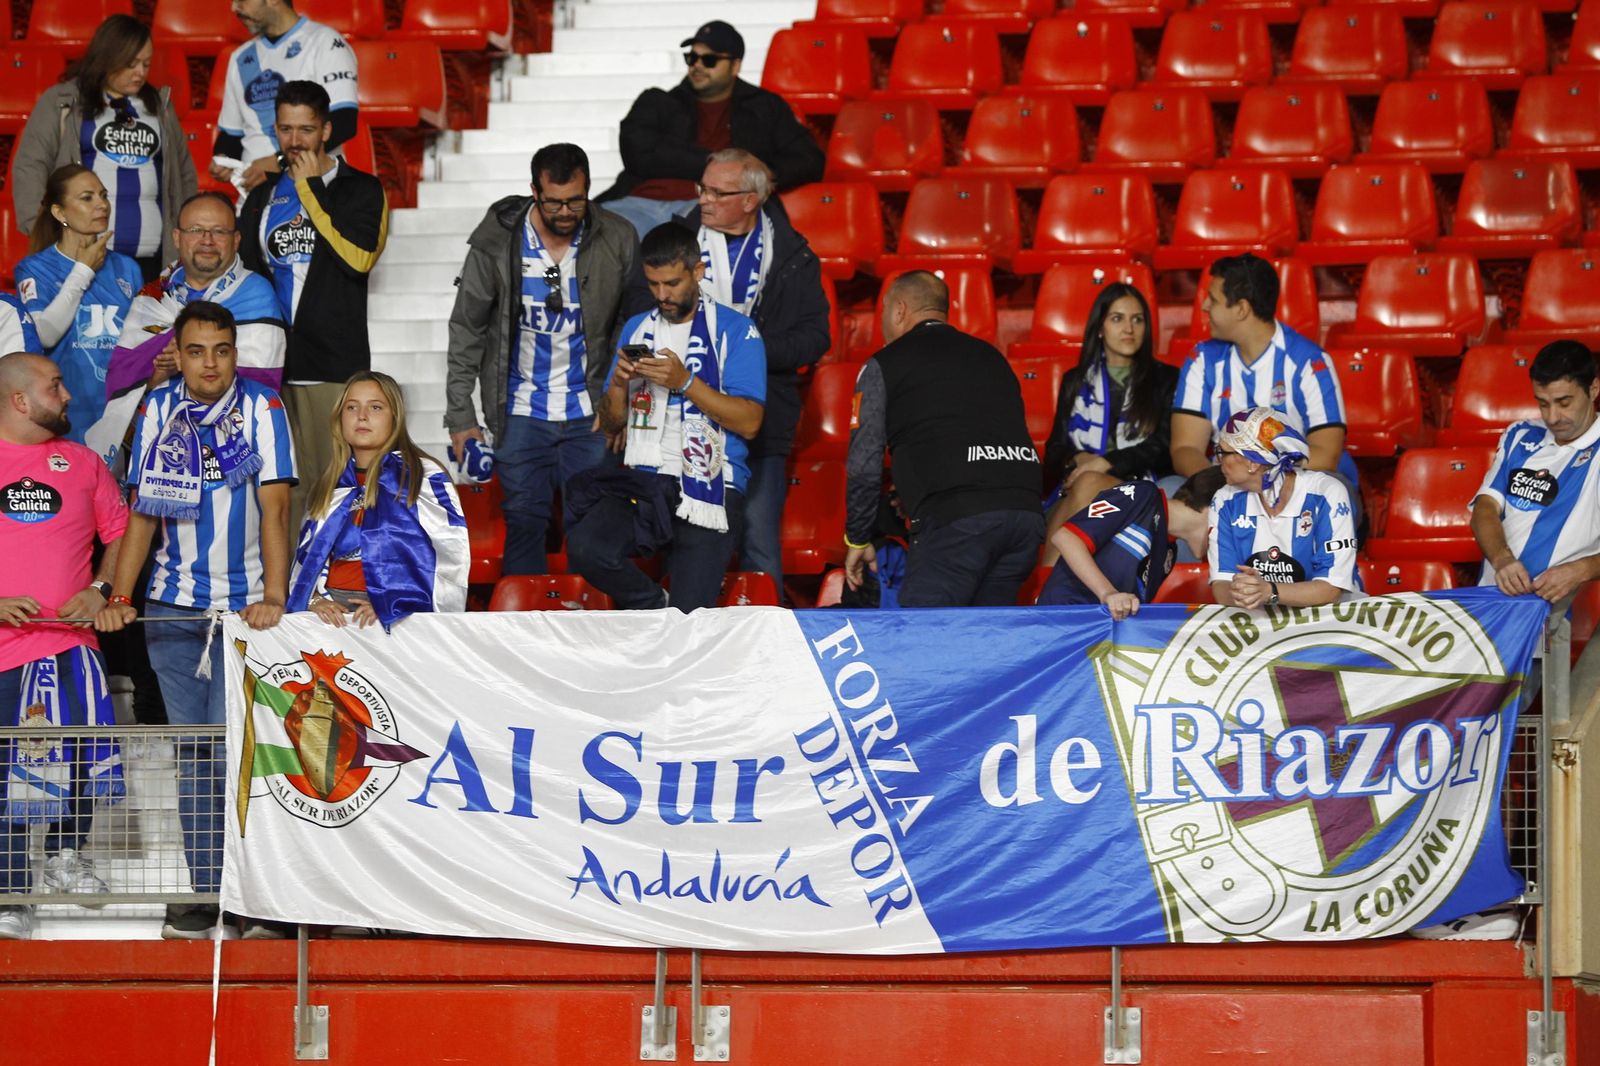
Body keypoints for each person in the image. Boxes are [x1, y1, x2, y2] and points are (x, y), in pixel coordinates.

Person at [95, 300, 295, 940]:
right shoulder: (158, 409)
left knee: (250, 756)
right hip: (174, 611)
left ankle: (255, 896)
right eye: (197, 351)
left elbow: (275, 514)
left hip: (247, 616)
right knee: (196, 754)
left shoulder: (265, 411)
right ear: (176, 355)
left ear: (237, 353)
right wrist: (121, 597)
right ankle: (206, 891)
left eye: (222, 350)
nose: (210, 364)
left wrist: (275, 596)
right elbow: (142, 516)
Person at [445, 143, 644, 576]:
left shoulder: (618, 236)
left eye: (576, 200)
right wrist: (461, 414)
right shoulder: (497, 240)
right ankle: (524, 631)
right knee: (524, 521)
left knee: (591, 526)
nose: (566, 211)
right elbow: (467, 327)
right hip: (520, 409)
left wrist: (622, 400)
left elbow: (637, 327)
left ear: (589, 189)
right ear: (534, 191)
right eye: (554, 202)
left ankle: (592, 627)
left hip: (591, 411)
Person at [565, 223, 766, 611]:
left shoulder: (736, 331)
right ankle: (653, 603)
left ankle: (670, 618)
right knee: (586, 547)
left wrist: (686, 381)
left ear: (698, 271)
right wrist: (620, 386)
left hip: (711, 483)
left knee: (689, 618)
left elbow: (750, 421)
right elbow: (610, 426)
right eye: (653, 285)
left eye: (672, 283)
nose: (662, 295)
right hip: (645, 477)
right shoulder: (637, 328)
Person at [0, 353, 129, 940]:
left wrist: (102, 589)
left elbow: (124, 532)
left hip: (69, 647)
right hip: (3, 651)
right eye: (55, 386)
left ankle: (65, 856)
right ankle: (7, 886)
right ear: (20, 401)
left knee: (78, 758)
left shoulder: (81, 462)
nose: (68, 395)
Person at [676, 148, 829, 600]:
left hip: (761, 423)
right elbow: (641, 310)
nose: (703, 199)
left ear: (750, 200)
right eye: (702, 188)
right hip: (684, 420)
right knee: (692, 543)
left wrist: (751, 350)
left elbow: (816, 337)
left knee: (760, 542)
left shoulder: (793, 254)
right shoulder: (678, 244)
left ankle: (770, 653)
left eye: (716, 192)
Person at [844, 271, 1044, 608]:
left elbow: (864, 465)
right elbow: (968, 432)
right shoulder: (992, 357)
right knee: (986, 643)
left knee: (925, 641)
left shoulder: (884, 364)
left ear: (899, 311)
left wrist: (858, 537)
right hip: (1024, 518)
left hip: (958, 523)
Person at [239, 80, 386, 527]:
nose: (295, 140)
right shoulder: (263, 195)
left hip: (333, 366)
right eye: (286, 129)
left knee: (337, 488)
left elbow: (358, 260)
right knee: (281, 493)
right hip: (271, 364)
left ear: (325, 130)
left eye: (305, 129)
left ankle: (335, 592)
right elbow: (246, 273)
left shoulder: (361, 189)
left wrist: (310, 192)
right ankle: (286, 592)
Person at [595, 20, 825, 239]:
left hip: (714, 209)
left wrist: (762, 176)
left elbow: (809, 159)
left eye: (709, 60)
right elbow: (638, 153)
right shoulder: (657, 102)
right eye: (692, 57)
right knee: (594, 236)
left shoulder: (765, 107)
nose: (697, 65)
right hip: (638, 202)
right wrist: (724, 165)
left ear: (735, 66)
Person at [12, 14, 198, 284]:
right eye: (131, 64)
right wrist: (45, 231)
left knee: (149, 328)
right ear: (107, 58)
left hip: (154, 259)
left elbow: (184, 175)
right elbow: (31, 166)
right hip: (83, 255)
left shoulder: (160, 107)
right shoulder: (62, 101)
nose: (141, 73)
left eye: (146, 63)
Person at [290, 371, 469, 628]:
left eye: (375, 407)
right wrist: (315, 600)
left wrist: (395, 602)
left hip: (398, 612)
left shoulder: (423, 475)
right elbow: (306, 561)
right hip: (332, 610)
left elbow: (449, 556)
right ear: (339, 418)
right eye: (352, 407)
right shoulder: (328, 485)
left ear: (395, 417)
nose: (362, 416)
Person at [1170, 254, 1356, 492]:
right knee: (1169, 489)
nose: (1205, 306)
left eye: (1213, 300)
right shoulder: (1202, 359)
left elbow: (1326, 454)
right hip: (1223, 482)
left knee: (1332, 490)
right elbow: (1185, 448)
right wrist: (1225, 481)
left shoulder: (1309, 362)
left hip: (1294, 482)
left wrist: (1256, 478)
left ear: (1241, 309)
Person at [1040, 282, 1175, 567]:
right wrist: (1079, 458)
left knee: (1088, 481)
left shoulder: (1166, 379)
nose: (1129, 328)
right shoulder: (1075, 380)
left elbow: (1163, 448)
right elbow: (1054, 450)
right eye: (1117, 318)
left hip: (1135, 485)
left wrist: (1104, 464)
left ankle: (1045, 589)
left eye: (1137, 319)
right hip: (1076, 488)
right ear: (1099, 327)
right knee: (1083, 484)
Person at [15, 165, 144, 446]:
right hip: (67, 409)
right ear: (60, 212)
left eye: (103, 195)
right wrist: (83, 271)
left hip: (120, 412)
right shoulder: (36, 269)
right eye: (87, 198)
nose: (102, 204)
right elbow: (45, 334)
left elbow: (137, 341)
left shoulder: (127, 268)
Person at [1472, 341, 1600, 605]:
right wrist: (1502, 558)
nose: (1553, 417)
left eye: (1564, 402)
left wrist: (1581, 570)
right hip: (1490, 601)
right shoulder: (1520, 435)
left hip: (1552, 612)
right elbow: (1485, 508)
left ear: (1594, 388)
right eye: (1543, 404)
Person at [1207, 407, 1360, 609]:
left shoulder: (1326, 493)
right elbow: (1221, 582)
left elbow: (1331, 588)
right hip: (1260, 619)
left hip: (1332, 618)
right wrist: (1243, 592)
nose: (1218, 461)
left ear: (1252, 461)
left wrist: (1269, 591)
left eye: (1222, 453)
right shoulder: (1224, 500)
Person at [211, 0, 358, 194]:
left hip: (316, 190)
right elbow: (233, 134)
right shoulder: (240, 57)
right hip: (256, 195)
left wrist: (279, 161)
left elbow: (344, 122)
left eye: (242, 1)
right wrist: (223, 160)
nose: (234, 8)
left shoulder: (325, 43)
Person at [1035, 467, 1223, 615]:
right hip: (1063, 618)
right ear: (1214, 509)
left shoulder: (1168, 553)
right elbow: (1067, 538)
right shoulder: (1143, 494)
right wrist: (1108, 593)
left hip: (1096, 631)